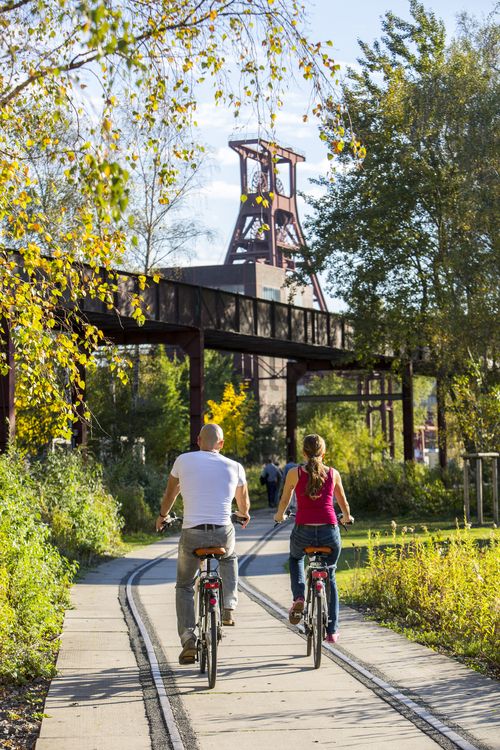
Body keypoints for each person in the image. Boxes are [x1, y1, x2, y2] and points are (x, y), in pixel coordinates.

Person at [156, 423, 250, 665]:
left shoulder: (183, 461)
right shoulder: (235, 466)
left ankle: (188, 638)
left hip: (192, 533)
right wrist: (243, 514)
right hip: (221, 532)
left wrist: (163, 515)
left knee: (185, 586)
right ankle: (228, 605)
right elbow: (243, 504)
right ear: (221, 444)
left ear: (198, 440)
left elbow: (170, 494)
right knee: (229, 557)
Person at [273, 434, 354, 644]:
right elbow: (342, 502)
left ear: (304, 453)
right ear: (323, 453)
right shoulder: (333, 473)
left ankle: (299, 596)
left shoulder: (295, 473)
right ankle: (332, 630)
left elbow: (285, 499)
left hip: (304, 531)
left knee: (295, 558)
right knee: (330, 575)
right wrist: (347, 517)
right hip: (329, 531)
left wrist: (279, 516)